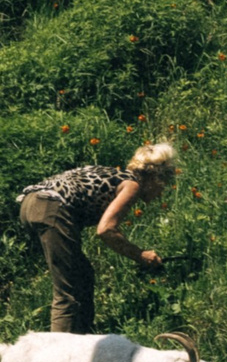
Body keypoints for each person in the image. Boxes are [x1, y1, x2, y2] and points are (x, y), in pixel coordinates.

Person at [16, 141, 177, 334]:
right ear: (155, 178)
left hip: (30, 205)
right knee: (68, 291)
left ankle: (84, 337)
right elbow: (106, 230)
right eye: (164, 185)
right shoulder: (132, 185)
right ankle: (60, 349)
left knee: (83, 275)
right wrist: (141, 255)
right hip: (51, 208)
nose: (161, 193)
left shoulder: (117, 175)